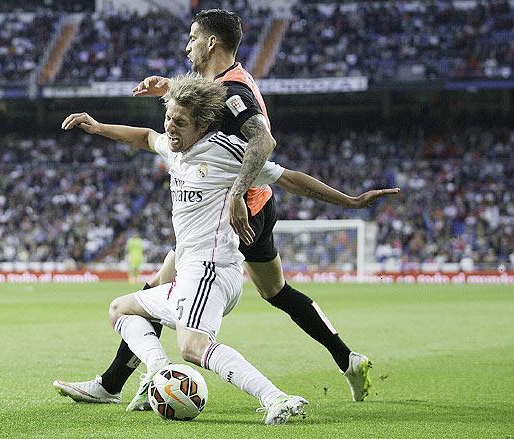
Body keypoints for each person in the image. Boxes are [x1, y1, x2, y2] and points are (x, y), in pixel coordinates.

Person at [55, 9, 392, 405]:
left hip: (234, 209)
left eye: (193, 38)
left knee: (161, 289)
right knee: (276, 291)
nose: (187, 46)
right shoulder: (225, 82)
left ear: (211, 42)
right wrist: (169, 89)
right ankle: (346, 358)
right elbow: (182, 121)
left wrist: (236, 193)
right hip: (255, 203)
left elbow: (262, 141)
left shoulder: (234, 93)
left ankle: (127, 383)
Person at [57, 75, 309, 424]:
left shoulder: (225, 152)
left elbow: (289, 177)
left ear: (203, 125)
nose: (170, 127)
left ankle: (277, 398)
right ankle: (158, 373)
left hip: (211, 270)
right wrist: (98, 127)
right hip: (189, 273)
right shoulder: (175, 149)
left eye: (180, 121)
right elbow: (146, 137)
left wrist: (351, 202)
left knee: (192, 347)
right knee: (121, 310)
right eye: (168, 118)